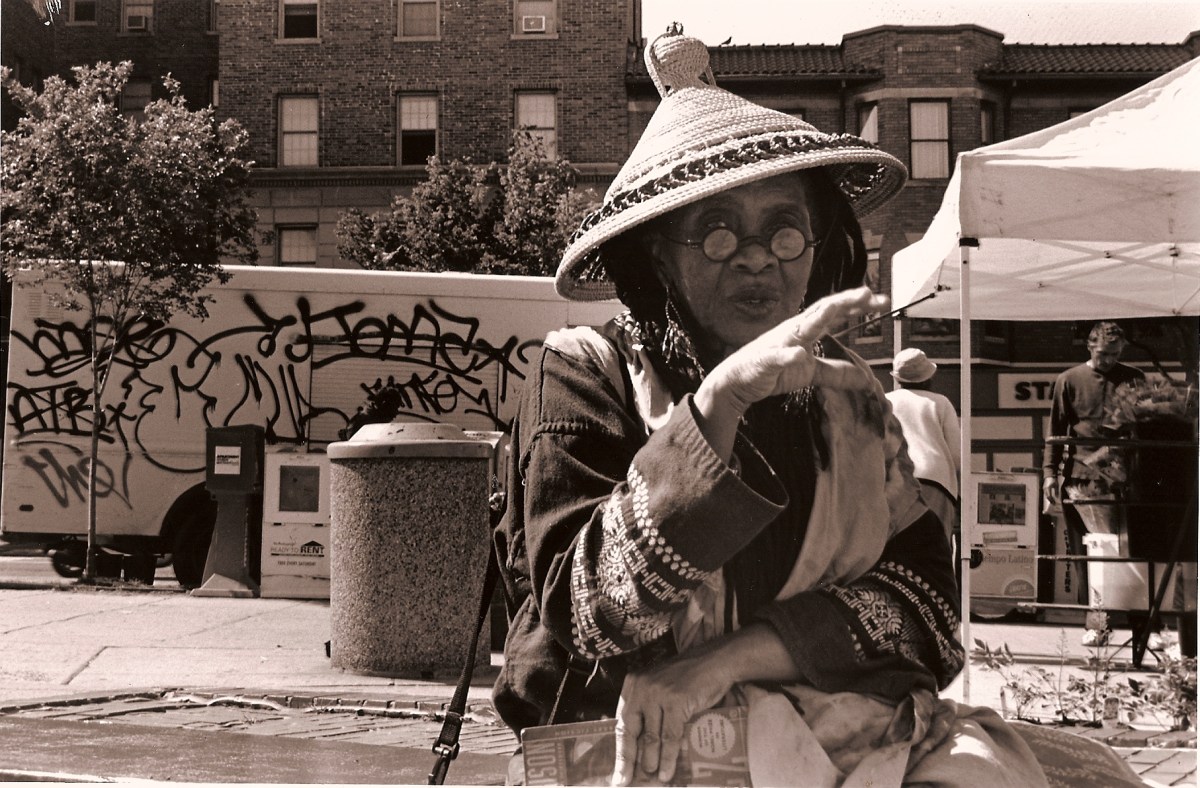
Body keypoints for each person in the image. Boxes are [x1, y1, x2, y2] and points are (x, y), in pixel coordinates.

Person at [492, 25, 1148, 788]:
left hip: (846, 748)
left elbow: (929, 614)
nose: (757, 255)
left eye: (785, 228)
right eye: (713, 233)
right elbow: (592, 615)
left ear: (821, 243)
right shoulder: (585, 373)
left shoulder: (847, 396)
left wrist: (731, 657)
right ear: (653, 259)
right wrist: (717, 407)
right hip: (630, 761)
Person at [1042, 321, 1158, 648]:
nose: (1108, 360)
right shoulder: (1069, 380)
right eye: (1103, 353)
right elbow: (1056, 430)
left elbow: (1145, 427)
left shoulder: (1134, 377)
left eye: (1115, 354)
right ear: (1089, 347)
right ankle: (1097, 625)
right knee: (1087, 557)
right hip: (1081, 478)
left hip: (1124, 479)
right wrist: (1050, 473)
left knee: (1133, 551)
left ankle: (1144, 627)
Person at [885, 348, 961, 544]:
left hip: (896, 478)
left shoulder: (886, 402)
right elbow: (957, 456)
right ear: (929, 376)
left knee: (896, 545)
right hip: (935, 479)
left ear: (897, 378)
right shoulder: (940, 403)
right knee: (935, 546)